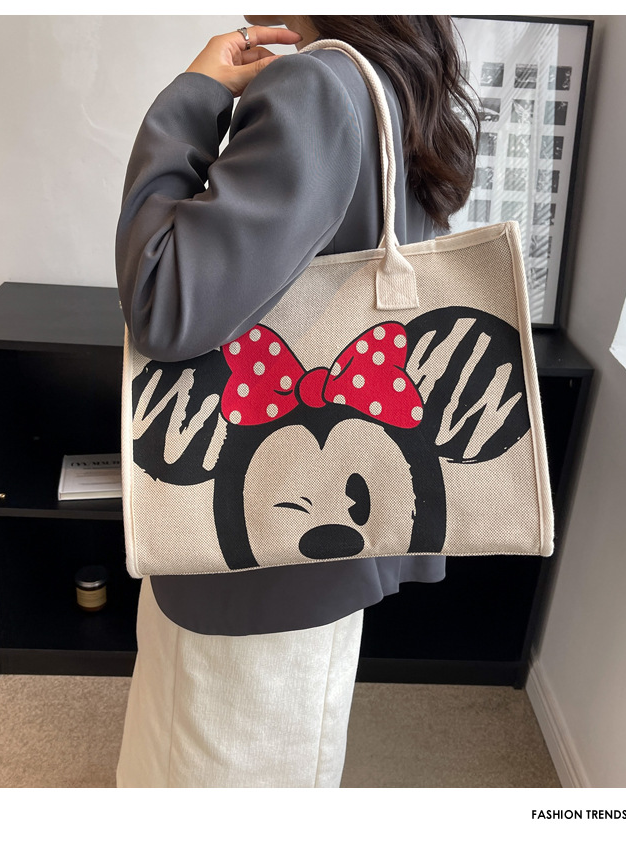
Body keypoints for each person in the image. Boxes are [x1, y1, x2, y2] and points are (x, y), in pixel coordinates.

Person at [115, 15, 479, 788]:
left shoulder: (316, 86)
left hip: (253, 550)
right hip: (328, 534)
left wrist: (193, 97)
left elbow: (162, 302)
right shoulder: (391, 85)